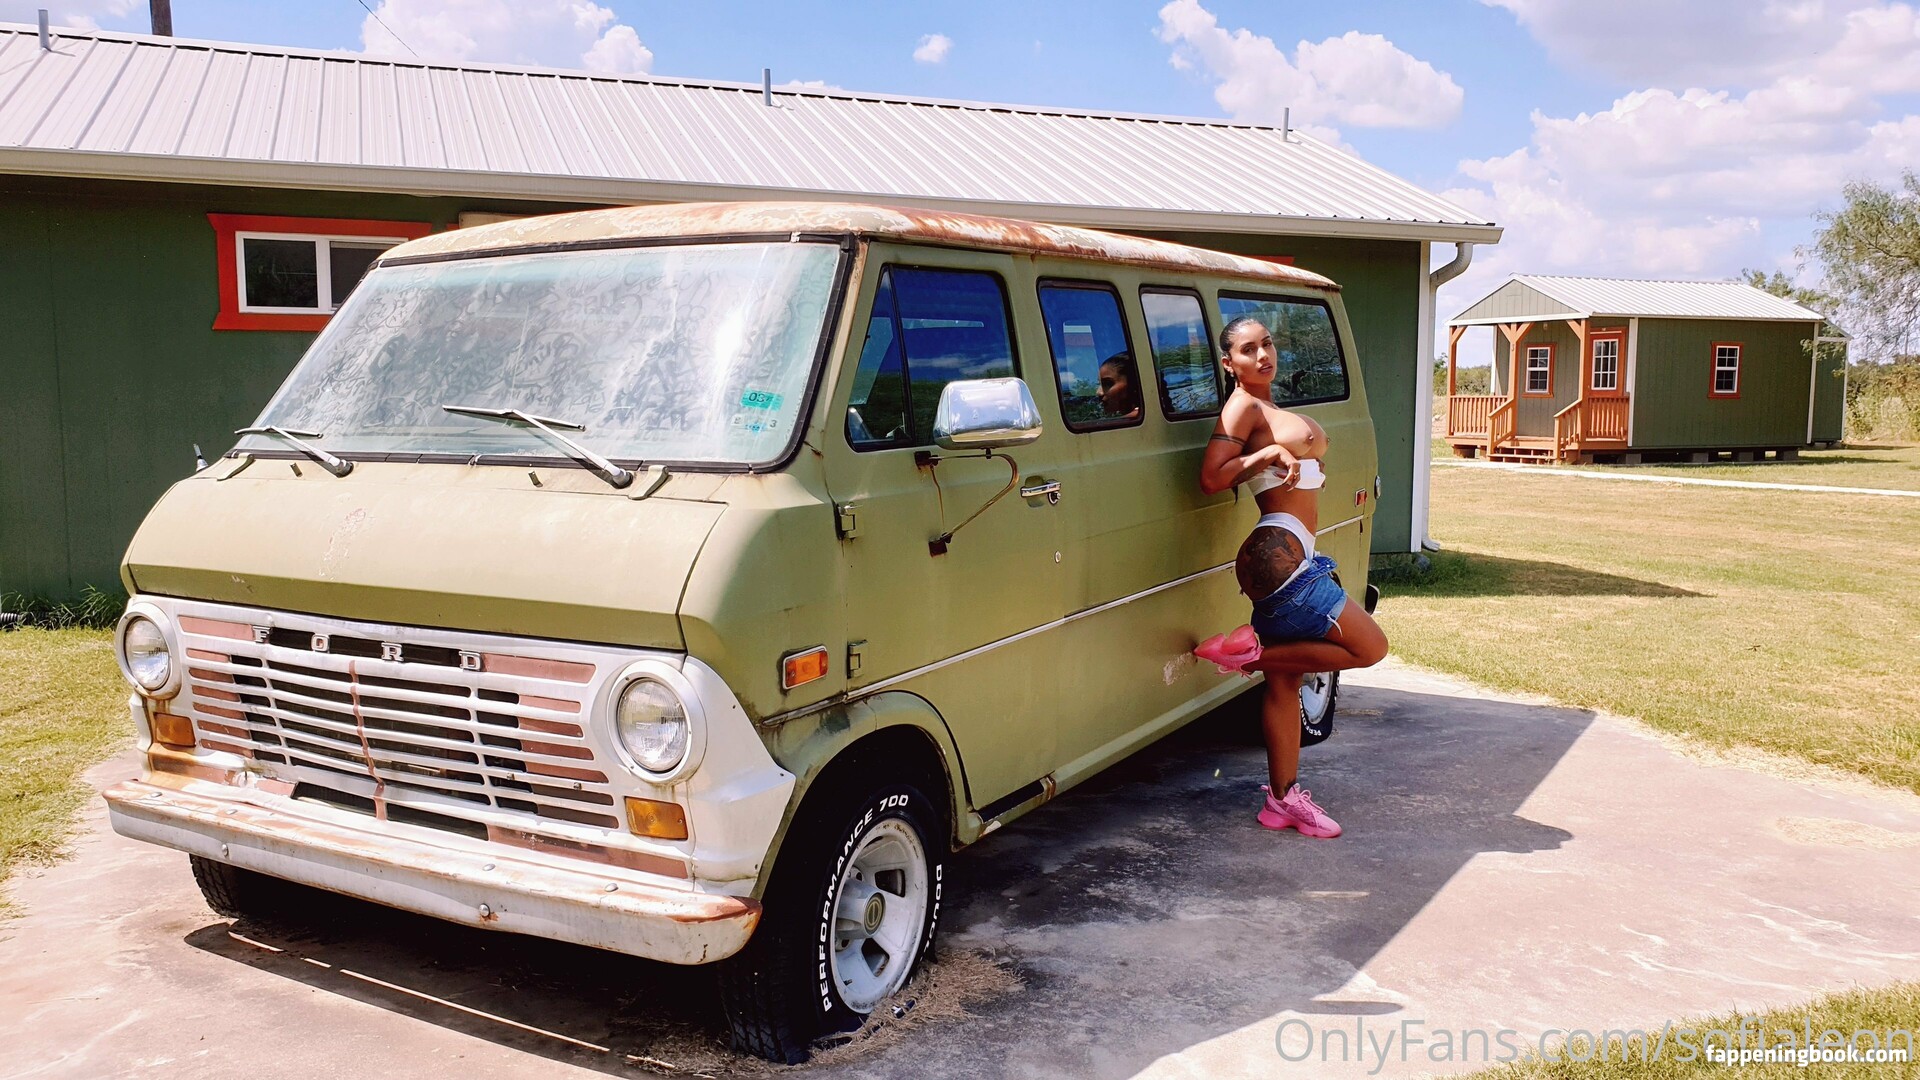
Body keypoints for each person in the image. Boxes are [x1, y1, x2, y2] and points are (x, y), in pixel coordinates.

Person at [1193, 315, 1389, 839]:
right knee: (1371, 647)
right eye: (1248, 350)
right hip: (1283, 564)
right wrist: (1267, 452)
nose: (1262, 356)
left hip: (1293, 558)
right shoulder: (1243, 406)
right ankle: (1244, 656)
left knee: (1284, 684)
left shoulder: (1269, 406)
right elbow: (1211, 476)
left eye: (1267, 344)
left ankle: (1282, 800)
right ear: (1229, 363)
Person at [1097, 352, 1143, 420]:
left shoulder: (1137, 418)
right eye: (1099, 384)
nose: (1099, 392)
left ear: (1132, 384)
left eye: (1108, 384)